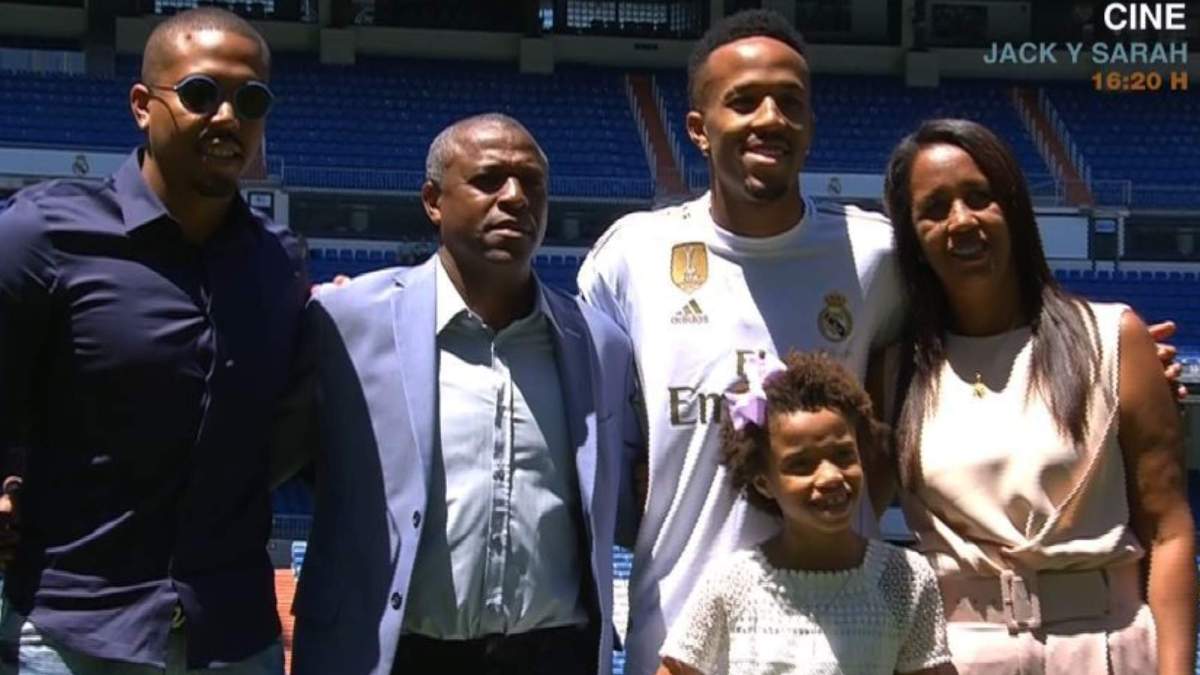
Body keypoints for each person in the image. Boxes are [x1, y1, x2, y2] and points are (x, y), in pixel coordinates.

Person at [577, 10, 1185, 675]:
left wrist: (1111, 351)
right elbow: (591, 427)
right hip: (679, 639)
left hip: (845, 646)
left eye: (790, 101)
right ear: (698, 127)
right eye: (744, 101)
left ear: (811, 123)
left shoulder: (876, 257)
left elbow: (988, 317)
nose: (769, 118)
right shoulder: (629, 258)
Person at [0, 7, 302, 674]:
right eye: (200, 94)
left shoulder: (279, 264)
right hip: (73, 634)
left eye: (250, 100)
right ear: (142, 104)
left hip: (234, 637)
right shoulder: (41, 237)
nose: (227, 118)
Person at [286, 114, 643, 675]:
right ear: (433, 201)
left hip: (552, 655)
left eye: (532, 184)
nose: (516, 198)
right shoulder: (345, 321)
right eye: (489, 180)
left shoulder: (599, 344)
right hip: (395, 654)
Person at [881, 118, 1195, 674]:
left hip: (1108, 649)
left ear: (1015, 209)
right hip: (956, 656)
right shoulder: (892, 371)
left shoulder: (1115, 338)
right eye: (934, 209)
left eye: (980, 198)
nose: (961, 221)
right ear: (913, 239)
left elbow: (1168, 529)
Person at [656, 352, 953, 675]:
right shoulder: (732, 584)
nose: (829, 476)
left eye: (843, 455)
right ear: (763, 482)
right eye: (801, 464)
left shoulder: (903, 578)